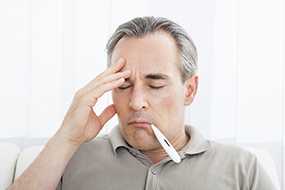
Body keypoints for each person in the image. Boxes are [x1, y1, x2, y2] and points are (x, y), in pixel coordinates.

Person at [9, 16, 277, 190]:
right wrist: (66, 138)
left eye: (156, 84)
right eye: (123, 85)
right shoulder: (72, 159)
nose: (136, 102)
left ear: (190, 89)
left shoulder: (241, 168)